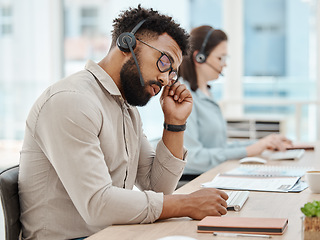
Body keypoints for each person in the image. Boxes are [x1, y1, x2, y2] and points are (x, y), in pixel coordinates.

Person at [18, 7, 228, 240]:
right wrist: (186, 204)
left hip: (112, 234)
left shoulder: (126, 109)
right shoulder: (71, 100)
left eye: (173, 73)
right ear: (127, 43)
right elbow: (98, 204)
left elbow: (157, 189)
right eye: (165, 61)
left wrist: (174, 123)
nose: (166, 78)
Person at [178, 25, 292, 176]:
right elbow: (191, 158)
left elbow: (220, 148)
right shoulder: (182, 95)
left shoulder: (206, 93)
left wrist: (263, 143)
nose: (224, 64)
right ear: (199, 58)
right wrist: (249, 150)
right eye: (220, 58)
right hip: (193, 181)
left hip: (212, 175)